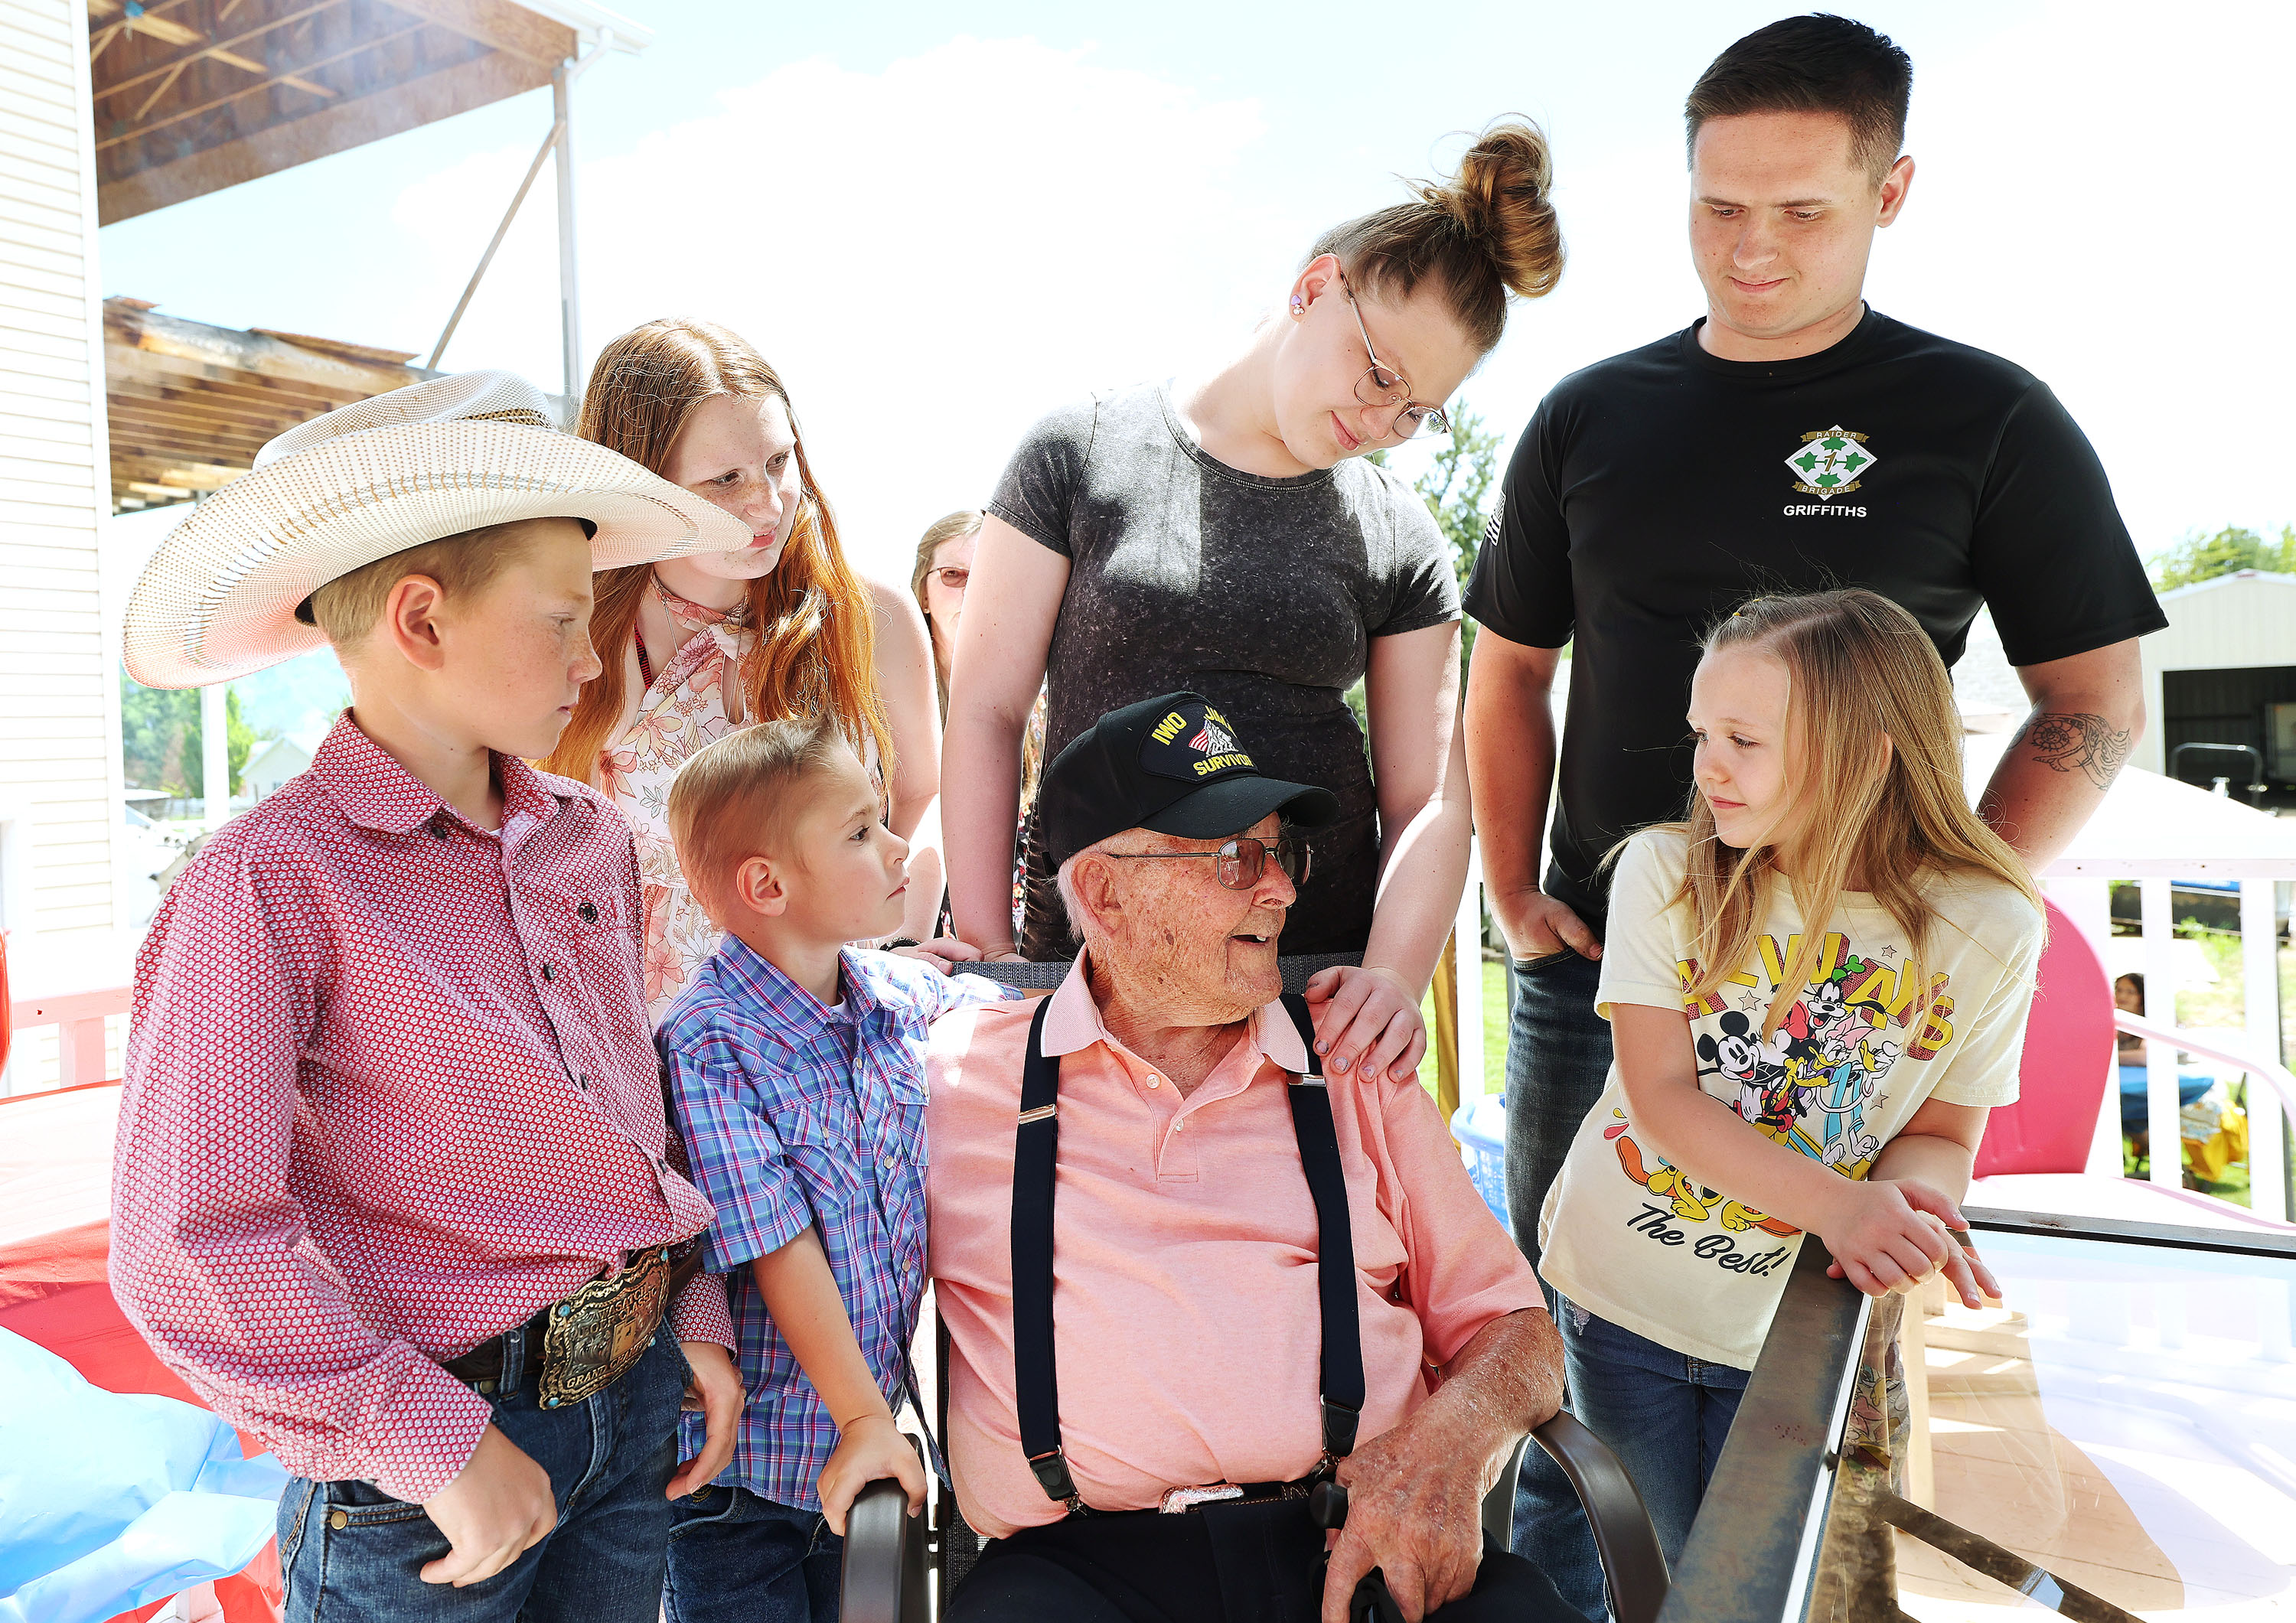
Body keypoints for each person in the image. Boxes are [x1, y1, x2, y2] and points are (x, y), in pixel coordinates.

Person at [1460, 19, 2164, 1604]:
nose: (1752, 247)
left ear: (1890, 191)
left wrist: (1933, 905)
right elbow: (1506, 674)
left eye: (1801, 211)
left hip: (1852, 1006)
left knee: (1808, 1377)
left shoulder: (1986, 416)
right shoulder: (1589, 414)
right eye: (1718, 206)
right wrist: (1511, 888)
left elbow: (2095, 702)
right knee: (1574, 1354)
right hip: (1610, 975)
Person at [108, 371, 753, 1622]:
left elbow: (629, 1115)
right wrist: (427, 1438)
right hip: (431, 1462)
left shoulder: (590, 841)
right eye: (562, 619)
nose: (591, 656)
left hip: (630, 1407)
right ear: (420, 620)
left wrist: (688, 1306)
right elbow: (188, 1238)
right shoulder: (268, 883)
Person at [926, 691, 1578, 1623]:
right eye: (1236, 857)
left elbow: (1520, 1333)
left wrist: (1446, 1447)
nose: (1281, 890)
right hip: (1076, 1578)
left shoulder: (1353, 1059)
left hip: (1354, 1539)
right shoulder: (955, 1075)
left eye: (1283, 854)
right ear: (1105, 893)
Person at [944, 122, 1567, 1086]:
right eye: (1380, 375)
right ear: (1315, 288)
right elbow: (986, 710)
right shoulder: (1080, 451)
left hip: (1313, 992)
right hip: (1085, 976)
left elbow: (1429, 798)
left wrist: (1393, 978)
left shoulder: (1401, 531)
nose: (1381, 422)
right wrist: (989, 952)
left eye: (1416, 412)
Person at [1537, 588, 2040, 1569]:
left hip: (1803, 1328)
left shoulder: (1992, 925)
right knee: (1654, 1578)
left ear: (1867, 754)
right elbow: (1660, 1098)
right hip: (1621, 1302)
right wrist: (1841, 1208)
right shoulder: (1664, 871)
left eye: (1743, 740)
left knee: (1786, 1581)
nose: (1705, 767)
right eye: (1702, 735)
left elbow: (1942, 1134)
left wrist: (1906, 1218)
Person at [654, 718, 1020, 1623]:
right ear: (767, 886)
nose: (899, 848)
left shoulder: (893, 997)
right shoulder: (707, 1045)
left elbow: (1013, 1017)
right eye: (860, 832)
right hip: (738, 1482)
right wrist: (863, 1419)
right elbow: (777, 1243)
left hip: (862, 1447)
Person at [539, 319, 944, 1021]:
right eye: (725, 479)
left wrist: (900, 944)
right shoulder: (583, 637)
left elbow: (922, 795)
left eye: (779, 462)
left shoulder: (867, 615)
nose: (767, 504)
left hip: (846, 1033)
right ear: (642, 483)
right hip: (659, 1049)